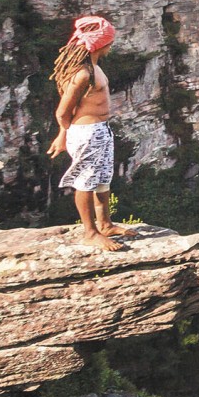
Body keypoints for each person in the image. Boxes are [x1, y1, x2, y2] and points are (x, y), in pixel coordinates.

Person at [47, 14, 133, 251]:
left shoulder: (92, 68)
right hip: (87, 133)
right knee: (85, 181)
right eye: (109, 42)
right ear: (99, 43)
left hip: (100, 131)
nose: (111, 46)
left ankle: (105, 224)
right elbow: (63, 112)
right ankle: (90, 232)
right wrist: (64, 134)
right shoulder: (82, 74)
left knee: (102, 179)